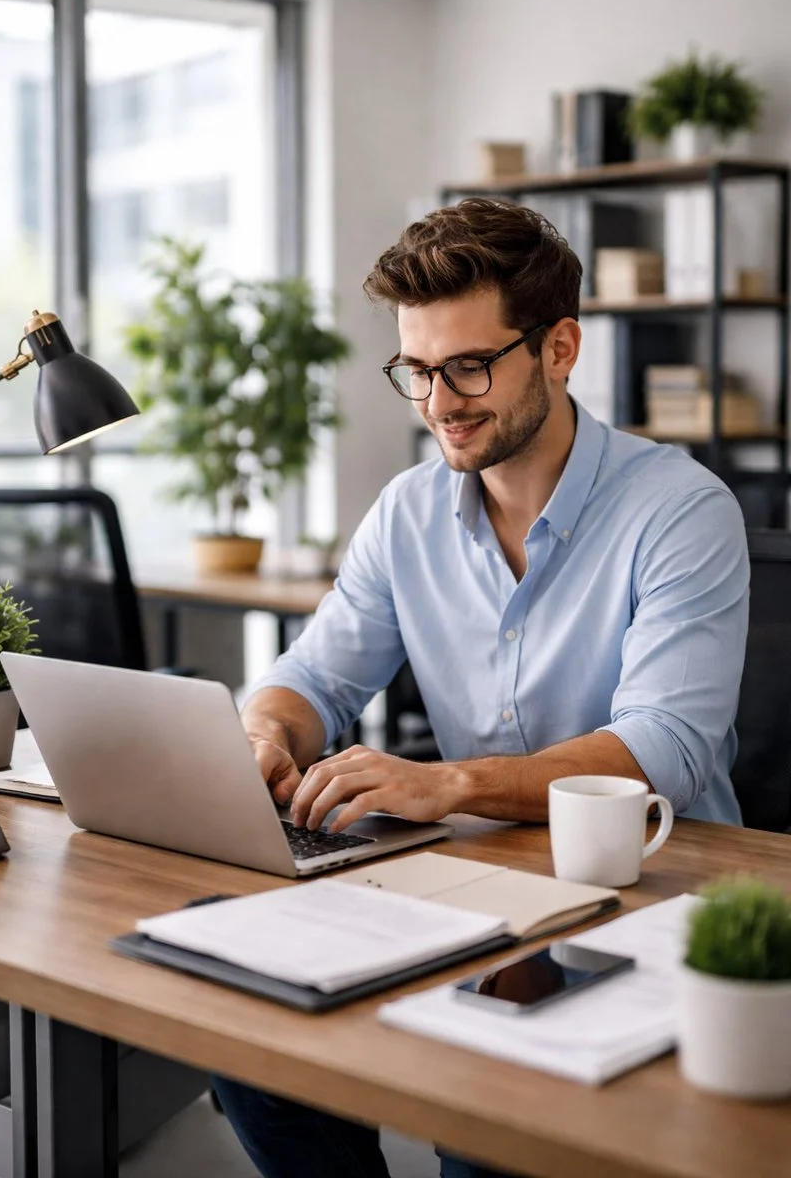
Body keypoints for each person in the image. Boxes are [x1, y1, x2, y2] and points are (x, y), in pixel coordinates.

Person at [213, 198, 750, 1178]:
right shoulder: (407, 510)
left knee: (486, 1135)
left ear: (558, 349)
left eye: (468, 366)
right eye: (415, 370)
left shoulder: (678, 509)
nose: (437, 401)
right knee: (254, 1053)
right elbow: (309, 675)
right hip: (468, 891)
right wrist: (266, 734)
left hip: (641, 899)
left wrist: (449, 783)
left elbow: (664, 744)